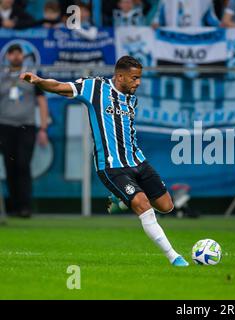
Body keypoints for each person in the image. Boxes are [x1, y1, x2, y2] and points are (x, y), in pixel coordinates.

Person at [19, 56, 189, 267]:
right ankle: (174, 257)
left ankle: (120, 199)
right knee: (143, 204)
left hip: (138, 160)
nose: (138, 83)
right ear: (119, 76)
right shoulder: (95, 87)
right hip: (111, 165)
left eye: (139, 78)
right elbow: (61, 87)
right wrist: (39, 80)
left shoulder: (131, 97)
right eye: (134, 78)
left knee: (166, 206)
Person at [0, 44, 49, 218]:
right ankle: (13, 206)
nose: (15, 56)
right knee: (9, 166)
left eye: (18, 53)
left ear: (23, 56)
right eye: (12, 53)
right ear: (7, 57)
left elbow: (42, 101)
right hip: (5, 127)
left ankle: (25, 206)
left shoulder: (31, 76)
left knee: (23, 164)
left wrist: (43, 127)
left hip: (26, 127)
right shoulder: (1, 76)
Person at [153, 0, 220, 28]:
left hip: (196, 43)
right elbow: (159, 18)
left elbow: (211, 19)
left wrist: (220, 25)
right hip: (172, 45)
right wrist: (156, 23)